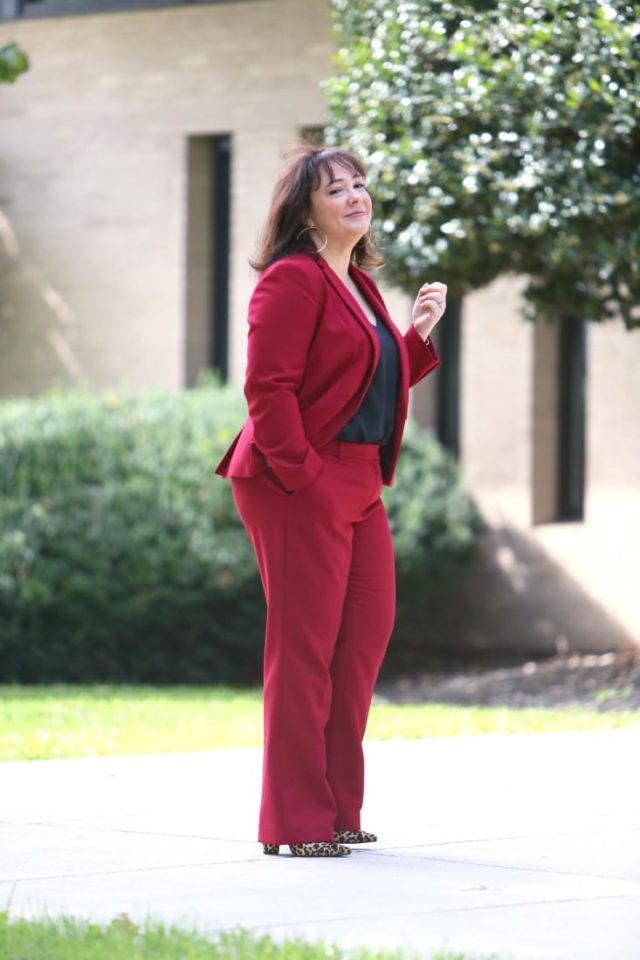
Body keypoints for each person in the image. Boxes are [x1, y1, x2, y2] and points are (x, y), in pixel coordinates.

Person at [215, 144, 447, 858]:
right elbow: (270, 392)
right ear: (303, 209)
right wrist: (304, 478)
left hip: (359, 482)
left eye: (359, 184)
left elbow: (361, 382)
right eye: (335, 188)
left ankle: (339, 809)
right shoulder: (291, 279)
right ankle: (295, 823)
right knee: (305, 650)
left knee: (360, 646)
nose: (355, 196)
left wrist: (414, 338)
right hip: (298, 482)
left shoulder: (361, 286)